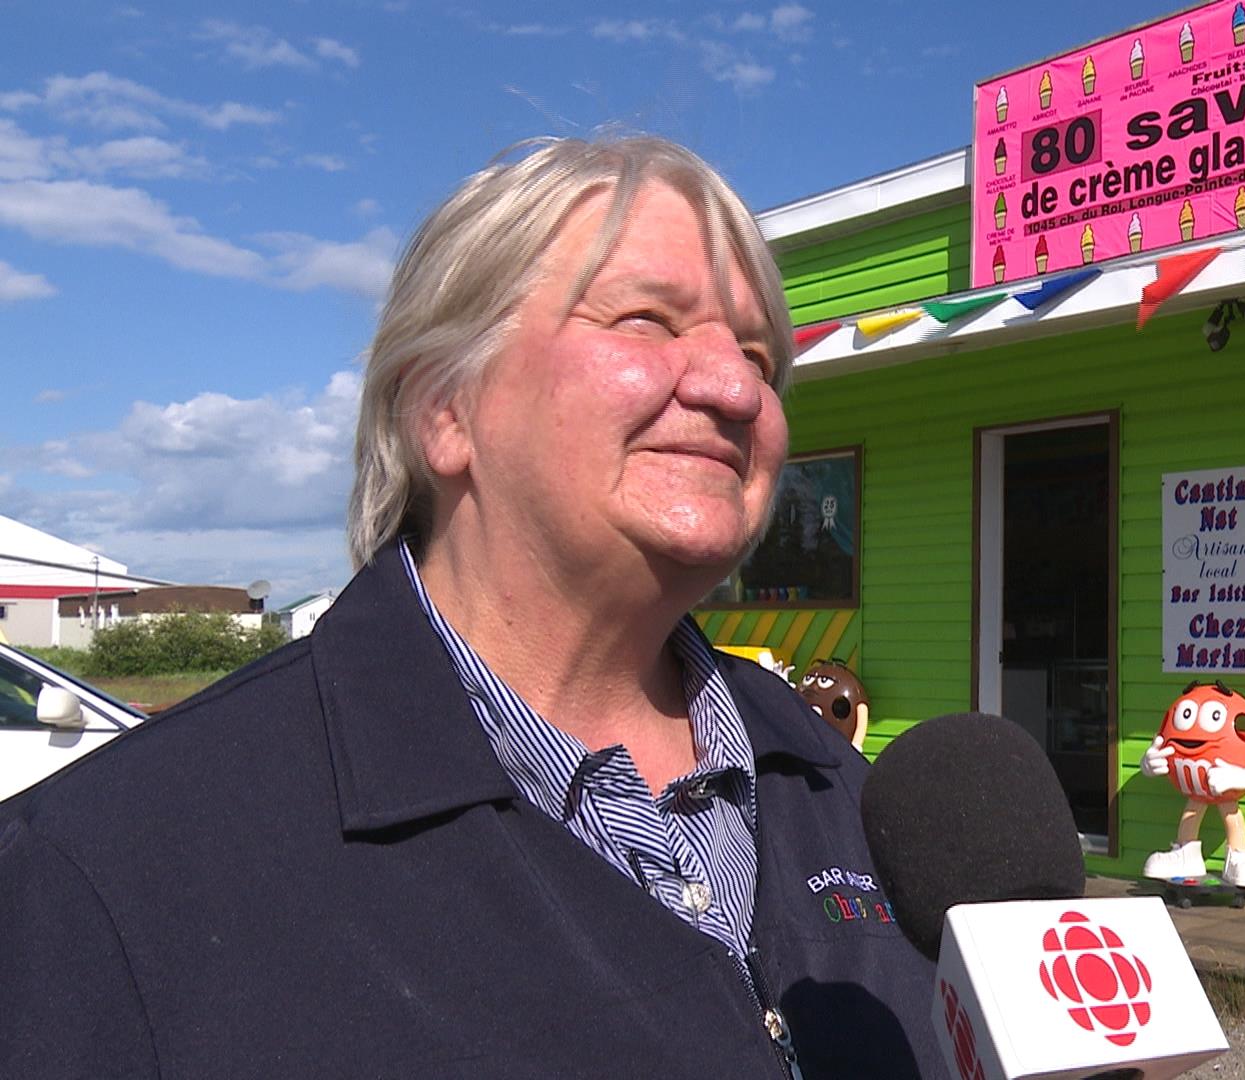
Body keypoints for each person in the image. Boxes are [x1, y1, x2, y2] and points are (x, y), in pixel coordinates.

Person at [0, 135, 938, 1079]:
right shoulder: (108, 872)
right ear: (444, 410)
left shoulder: (844, 793)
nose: (738, 388)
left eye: (757, 354)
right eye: (647, 320)